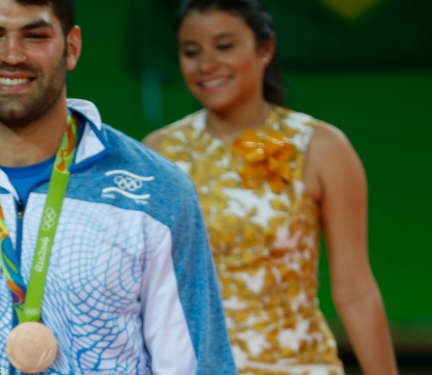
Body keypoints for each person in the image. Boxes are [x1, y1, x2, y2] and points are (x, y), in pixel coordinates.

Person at [0, 0, 236, 373]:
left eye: (35, 35)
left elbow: (195, 363)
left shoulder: (155, 190)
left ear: (72, 47)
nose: (12, 55)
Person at [142, 1, 398, 374]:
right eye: (190, 52)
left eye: (224, 45)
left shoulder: (321, 147)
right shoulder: (159, 152)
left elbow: (356, 291)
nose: (206, 64)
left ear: (266, 49)